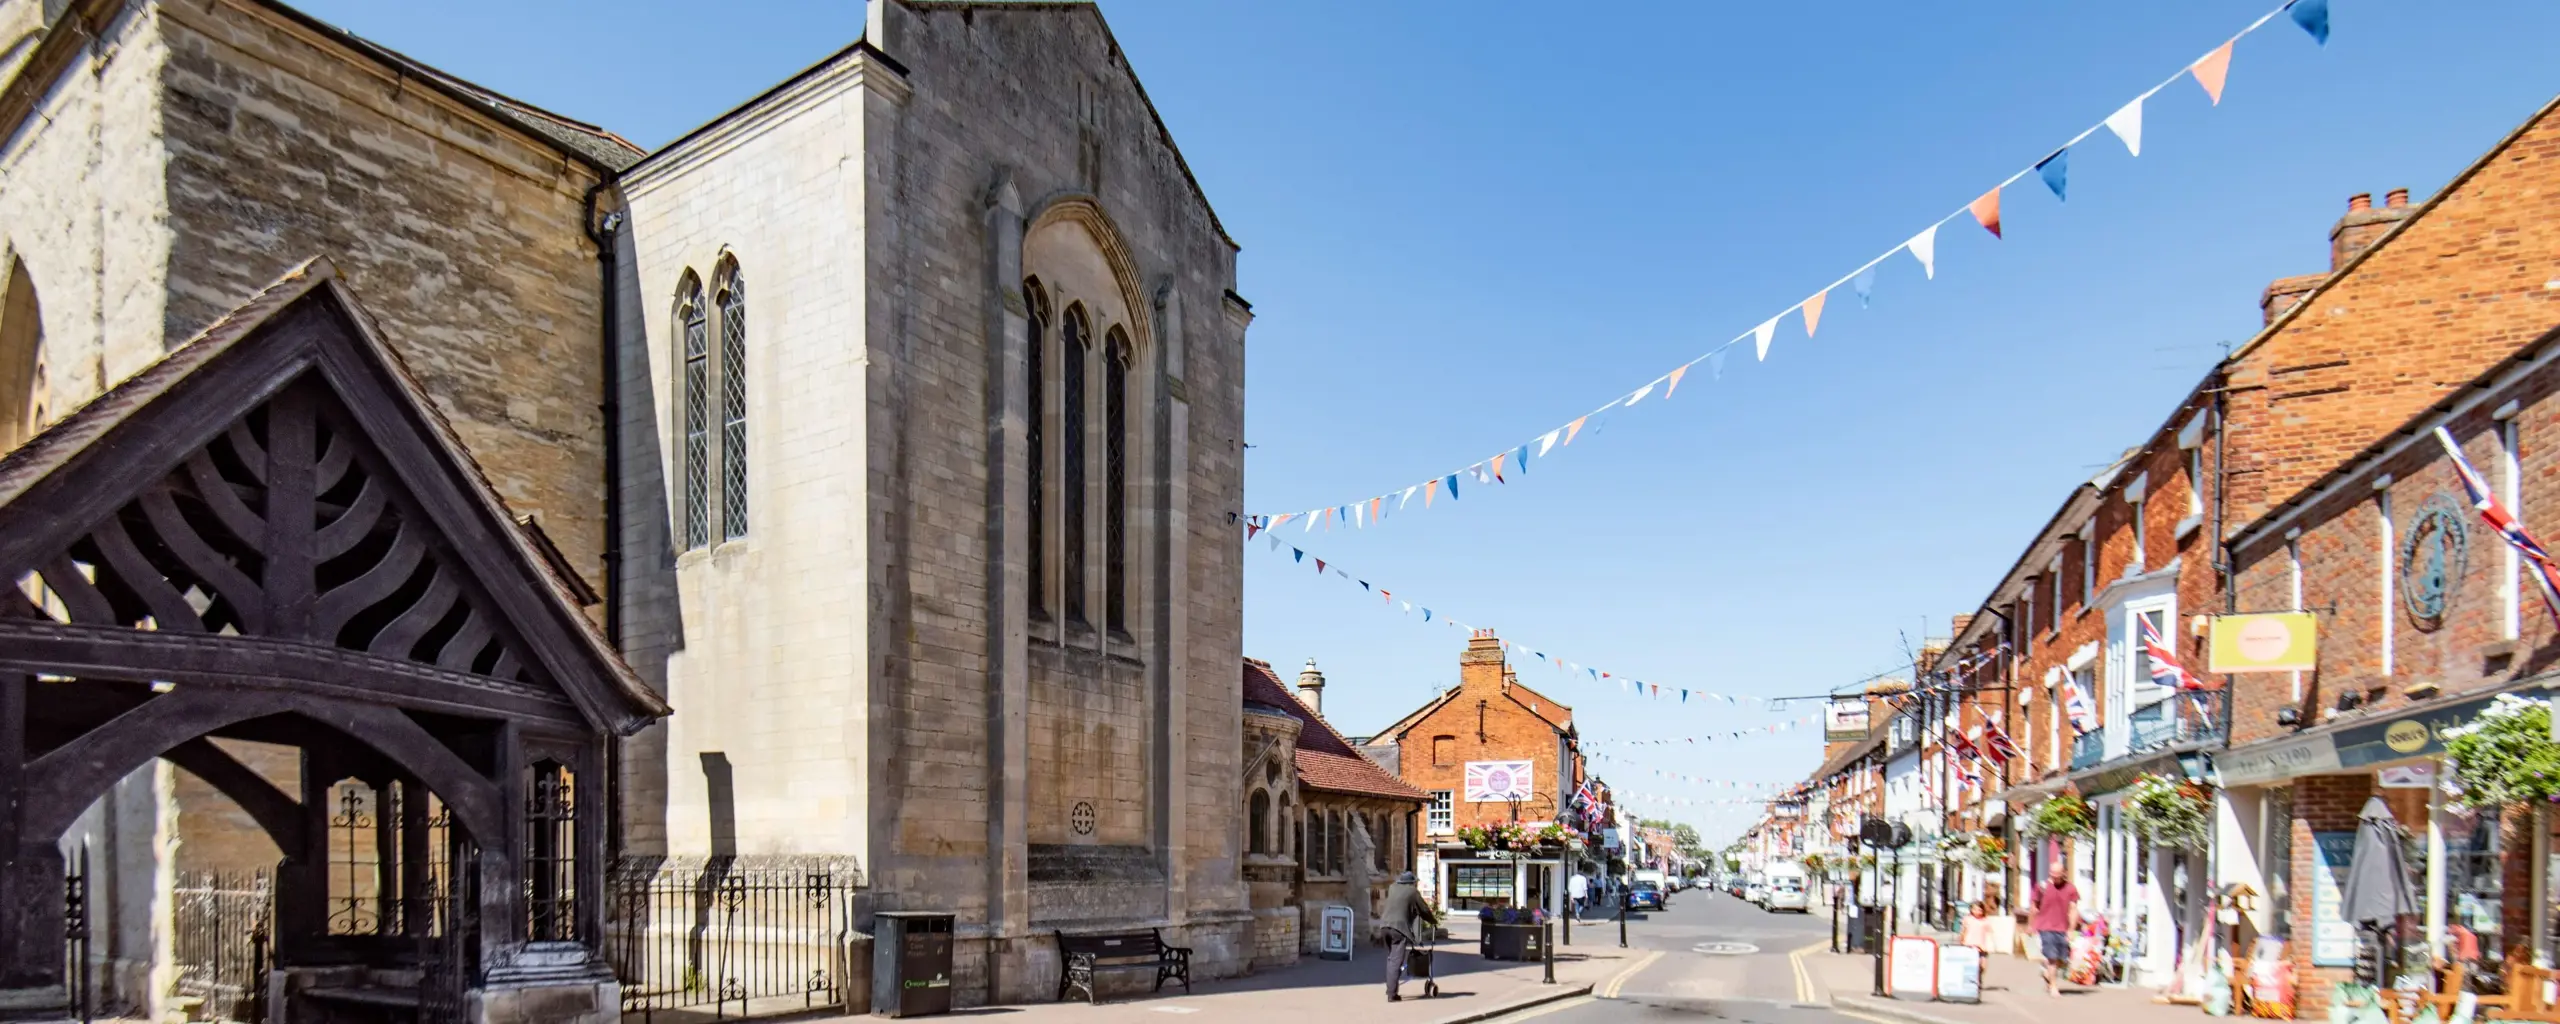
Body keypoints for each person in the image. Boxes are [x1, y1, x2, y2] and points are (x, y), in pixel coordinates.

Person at [1378, 871, 1436, 1003]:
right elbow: (1424, 910)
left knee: (1391, 959)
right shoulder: (1412, 891)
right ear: (1411, 882)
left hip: (1384, 926)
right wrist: (1433, 921)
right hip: (1399, 929)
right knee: (1395, 961)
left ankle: (1391, 989)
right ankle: (1392, 994)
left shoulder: (1392, 888)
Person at [2029, 865, 2081, 997]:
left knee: (2062, 959)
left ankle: (2047, 973)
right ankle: (2053, 986)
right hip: (2045, 927)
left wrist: (2071, 929)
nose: (2055, 878)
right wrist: (2031, 924)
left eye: (2058, 876)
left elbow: (2073, 909)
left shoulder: (2070, 888)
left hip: (2062, 927)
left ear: (2064, 873)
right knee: (2052, 958)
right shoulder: (2042, 886)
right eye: (2053, 875)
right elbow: (2034, 906)